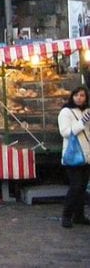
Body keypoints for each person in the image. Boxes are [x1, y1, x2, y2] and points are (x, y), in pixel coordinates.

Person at [58, 85, 90, 228]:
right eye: (77, 95)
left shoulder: (88, 111)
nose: (79, 98)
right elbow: (66, 132)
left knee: (82, 187)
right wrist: (82, 122)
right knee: (75, 186)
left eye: (82, 95)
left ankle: (79, 215)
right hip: (74, 155)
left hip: (87, 154)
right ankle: (66, 215)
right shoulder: (66, 112)